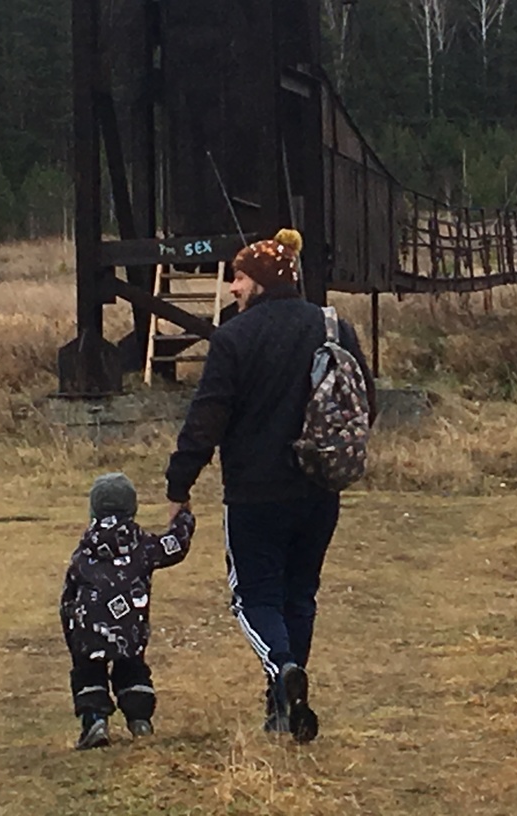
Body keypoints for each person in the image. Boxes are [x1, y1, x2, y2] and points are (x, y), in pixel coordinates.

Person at [164, 228, 375, 743]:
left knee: (253, 598)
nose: (233, 288)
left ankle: (281, 669)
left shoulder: (234, 340)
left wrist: (179, 484)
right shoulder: (334, 326)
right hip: (320, 491)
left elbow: (206, 418)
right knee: (299, 595)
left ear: (260, 281)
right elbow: (366, 399)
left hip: (255, 496)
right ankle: (282, 703)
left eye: (239, 277)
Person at [59, 471, 195, 749]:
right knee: (132, 669)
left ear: (93, 508)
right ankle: (139, 719)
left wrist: (72, 634)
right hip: (129, 629)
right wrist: (184, 516)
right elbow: (175, 546)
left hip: (88, 629)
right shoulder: (143, 546)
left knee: (88, 673)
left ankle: (94, 720)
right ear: (132, 507)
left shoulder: (84, 549)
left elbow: (68, 597)